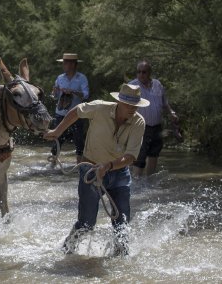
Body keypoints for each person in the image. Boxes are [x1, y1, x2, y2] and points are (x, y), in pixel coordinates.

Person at [44, 84, 148, 256]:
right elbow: (77, 110)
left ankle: (121, 259)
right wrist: (57, 131)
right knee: (87, 223)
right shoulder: (100, 108)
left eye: (135, 105)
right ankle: (65, 251)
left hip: (119, 172)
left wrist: (109, 166)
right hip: (90, 170)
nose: (132, 109)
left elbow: (130, 156)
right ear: (119, 102)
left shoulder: (139, 122)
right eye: (129, 104)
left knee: (122, 222)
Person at [128, 61, 178, 177]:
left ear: (149, 73)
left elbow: (165, 103)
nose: (141, 74)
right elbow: (123, 105)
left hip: (156, 126)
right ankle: (136, 184)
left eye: (144, 72)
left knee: (154, 154)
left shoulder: (157, 84)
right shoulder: (132, 86)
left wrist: (171, 112)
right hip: (140, 126)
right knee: (140, 156)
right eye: (138, 72)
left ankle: (149, 182)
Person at [50, 53, 89, 164]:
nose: (63, 65)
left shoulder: (82, 78)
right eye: (63, 63)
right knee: (57, 138)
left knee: (79, 140)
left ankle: (79, 166)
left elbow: (86, 95)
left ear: (72, 64)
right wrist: (55, 92)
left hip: (77, 113)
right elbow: (55, 97)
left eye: (65, 63)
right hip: (61, 113)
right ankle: (52, 164)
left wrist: (73, 92)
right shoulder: (59, 78)